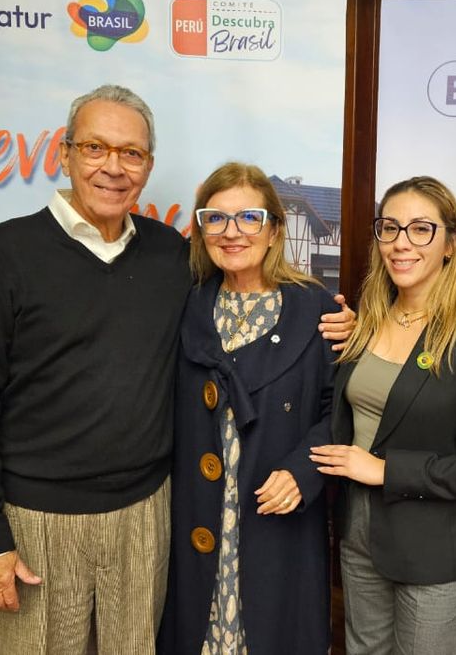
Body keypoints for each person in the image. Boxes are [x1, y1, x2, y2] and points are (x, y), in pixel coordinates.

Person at [0, 85, 353, 654]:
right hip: (37, 520)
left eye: (131, 153)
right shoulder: (7, 252)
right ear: (65, 153)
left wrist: (344, 324)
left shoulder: (170, 257)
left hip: (145, 516)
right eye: (95, 147)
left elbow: (313, 378)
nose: (113, 167)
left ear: (148, 166)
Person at [311, 176, 456, 655]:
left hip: (436, 553)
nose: (401, 243)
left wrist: (384, 469)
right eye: (390, 228)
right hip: (358, 536)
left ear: (450, 244)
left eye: (421, 229)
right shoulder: (365, 321)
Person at [159, 163, 337, 654]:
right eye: (216, 218)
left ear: (275, 228)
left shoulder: (316, 309)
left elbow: (340, 409)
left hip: (276, 519)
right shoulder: (183, 305)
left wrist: (304, 471)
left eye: (249, 218)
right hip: (195, 519)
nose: (232, 232)